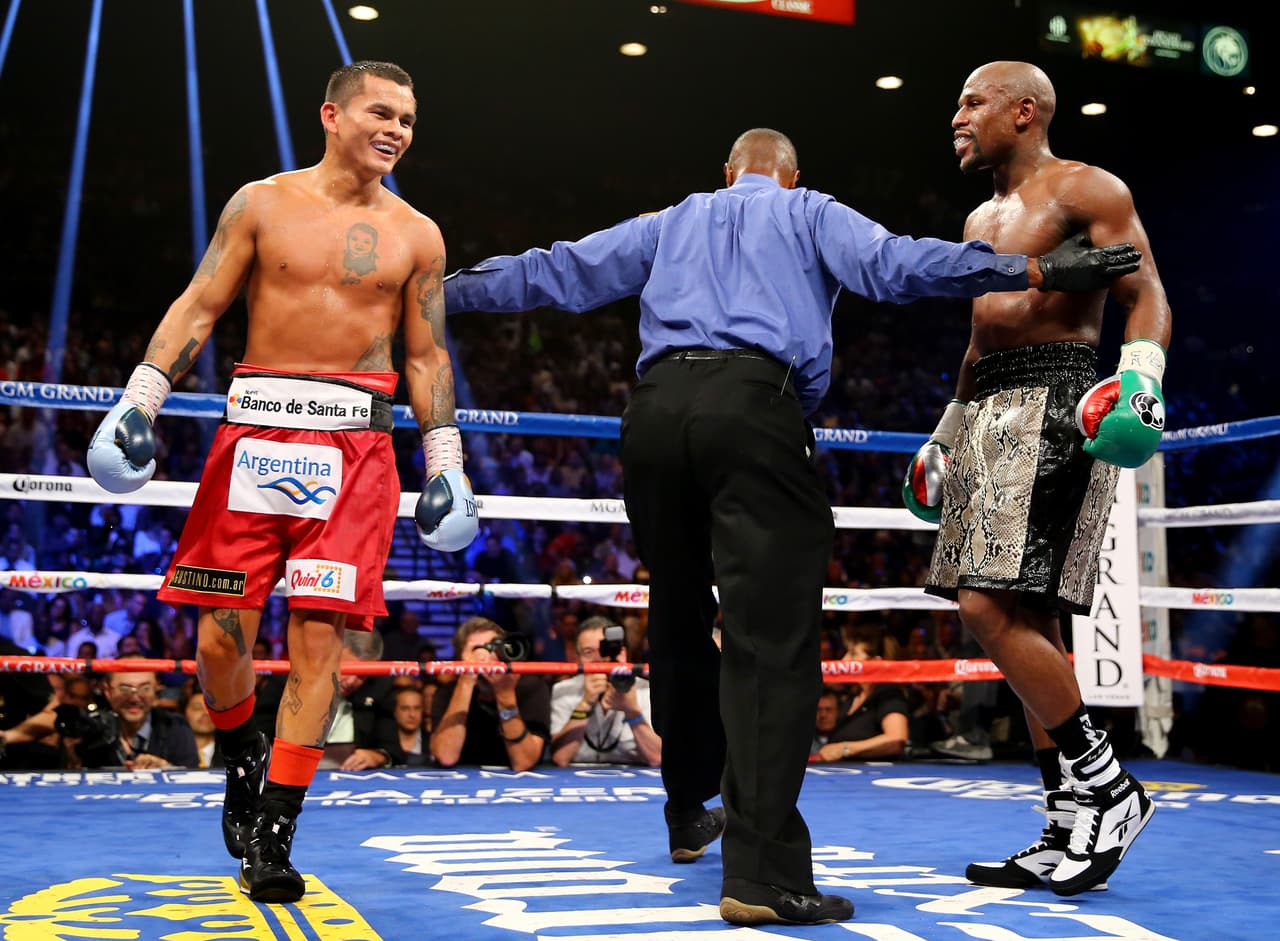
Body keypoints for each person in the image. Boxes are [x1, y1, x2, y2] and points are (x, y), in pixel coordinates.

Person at [444, 127, 1138, 926]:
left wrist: (441, 286)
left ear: (727, 173)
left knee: (675, 615)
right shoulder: (809, 212)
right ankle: (763, 872)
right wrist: (1037, 267)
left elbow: (556, 270)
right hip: (752, 411)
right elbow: (902, 265)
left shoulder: (671, 219)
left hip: (655, 416)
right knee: (768, 642)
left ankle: (685, 809)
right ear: (791, 175)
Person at [85, 60, 478, 903]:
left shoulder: (419, 234)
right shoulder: (260, 202)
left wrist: (445, 460)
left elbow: (425, 353)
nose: (397, 129)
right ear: (331, 114)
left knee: (318, 647)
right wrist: (138, 401)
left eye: (408, 119)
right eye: (382, 112)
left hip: (357, 452)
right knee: (218, 639)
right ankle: (243, 752)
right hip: (254, 437)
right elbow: (198, 304)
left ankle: (275, 832)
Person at [904, 61, 1170, 897]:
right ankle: (1067, 822)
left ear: (1024, 111)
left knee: (986, 603)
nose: (957, 114)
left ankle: (1110, 786)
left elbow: (1148, 292)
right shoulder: (981, 215)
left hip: (1058, 397)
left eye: (971, 100)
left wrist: (1142, 378)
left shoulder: (1085, 187)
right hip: (987, 406)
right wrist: (946, 429)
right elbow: (980, 336)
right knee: (1025, 622)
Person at [430, 616, 550, 771]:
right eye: (477, 649)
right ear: (461, 657)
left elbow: (523, 762)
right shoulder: (447, 693)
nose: (487, 656)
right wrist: (466, 681)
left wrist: (505, 696)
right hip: (462, 784)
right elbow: (446, 757)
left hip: (517, 784)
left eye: (493, 646)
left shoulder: (531, 687)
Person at [548, 615, 662, 769]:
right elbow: (561, 758)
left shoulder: (645, 690)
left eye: (604, 650)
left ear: (622, 653)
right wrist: (585, 704)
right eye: (588, 652)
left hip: (632, 782)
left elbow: (657, 758)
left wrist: (632, 712)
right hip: (576, 781)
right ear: (577, 658)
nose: (598, 659)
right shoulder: (564, 690)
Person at [809, 630, 909, 763]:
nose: (845, 660)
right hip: (841, 776)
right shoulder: (852, 696)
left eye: (853, 654)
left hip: (873, 778)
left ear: (874, 662)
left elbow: (896, 739)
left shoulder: (888, 693)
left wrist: (844, 749)